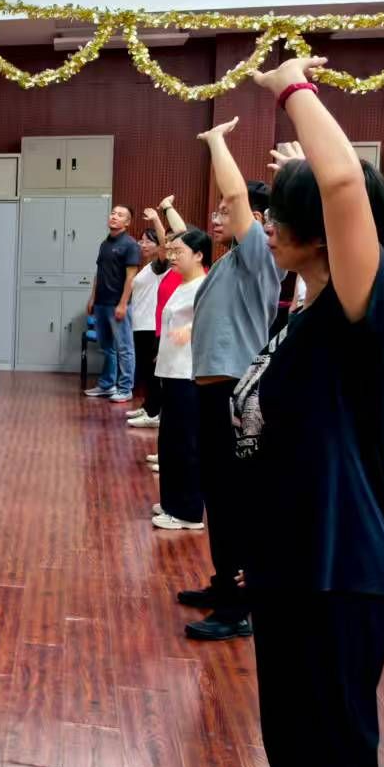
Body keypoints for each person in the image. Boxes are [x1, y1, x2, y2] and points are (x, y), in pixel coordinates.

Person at [209, 60, 384, 767]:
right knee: (294, 750)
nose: (267, 223)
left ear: (324, 233)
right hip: (293, 576)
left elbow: (342, 185)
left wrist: (294, 87)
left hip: (340, 577)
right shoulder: (304, 311)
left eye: (283, 214)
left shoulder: (360, 314)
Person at [180, 117, 280, 642]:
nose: (217, 217)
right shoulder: (228, 264)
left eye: (223, 212)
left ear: (257, 222)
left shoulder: (257, 257)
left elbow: (238, 194)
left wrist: (216, 140)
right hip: (212, 393)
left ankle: (238, 608)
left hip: (233, 394)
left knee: (233, 502)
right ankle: (225, 585)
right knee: (218, 497)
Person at [152, 229, 210, 530]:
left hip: (187, 374)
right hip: (171, 371)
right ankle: (171, 502)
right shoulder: (182, 284)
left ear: (198, 255)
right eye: (171, 251)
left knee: (185, 443)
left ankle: (188, 511)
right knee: (169, 442)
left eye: (179, 252)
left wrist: (190, 330)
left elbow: (209, 321)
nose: (172, 256)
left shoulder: (203, 286)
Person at [84, 205, 141, 402]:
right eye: (113, 213)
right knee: (107, 347)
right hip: (101, 303)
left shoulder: (130, 245)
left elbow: (131, 278)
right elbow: (98, 274)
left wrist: (123, 304)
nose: (114, 216)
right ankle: (107, 385)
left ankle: (125, 388)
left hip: (118, 304)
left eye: (120, 215)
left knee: (125, 348)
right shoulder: (104, 244)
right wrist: (92, 298)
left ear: (127, 222)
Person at [125, 216, 171, 429]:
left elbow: (165, 245)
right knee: (144, 371)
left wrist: (156, 220)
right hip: (140, 324)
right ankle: (148, 406)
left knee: (151, 373)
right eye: (141, 240)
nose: (142, 244)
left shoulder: (160, 265)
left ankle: (154, 413)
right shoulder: (147, 267)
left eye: (147, 241)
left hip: (151, 326)